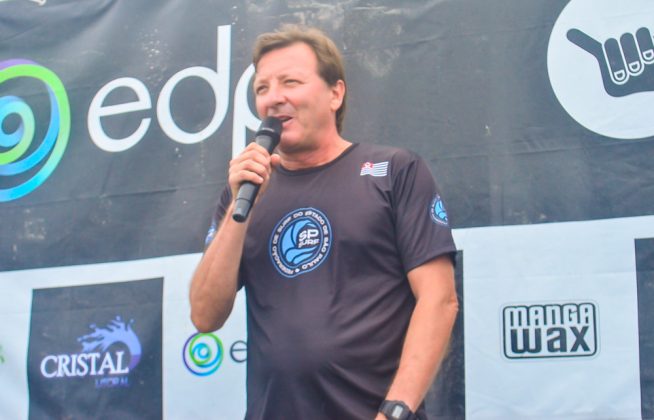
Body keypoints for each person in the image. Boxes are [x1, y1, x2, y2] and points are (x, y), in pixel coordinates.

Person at [189, 24, 458, 420]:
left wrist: (396, 411)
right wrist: (237, 210)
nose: (273, 98)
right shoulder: (242, 193)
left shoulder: (395, 171)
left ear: (336, 93)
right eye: (262, 88)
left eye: (290, 82)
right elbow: (204, 316)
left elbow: (440, 300)